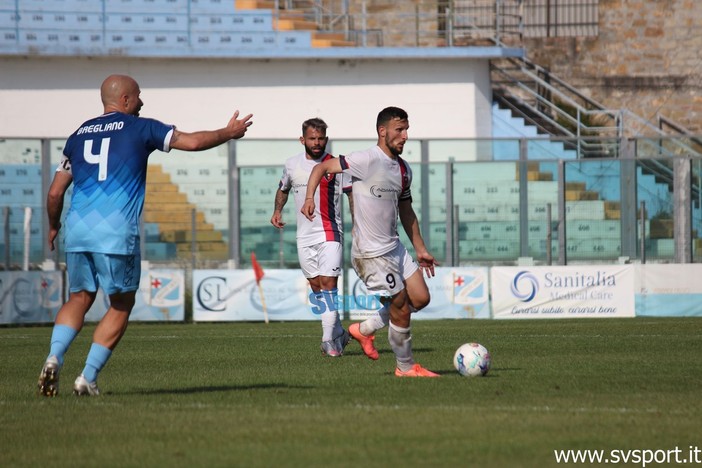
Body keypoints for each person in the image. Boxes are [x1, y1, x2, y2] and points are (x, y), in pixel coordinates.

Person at [37, 74, 253, 397]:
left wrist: (53, 226)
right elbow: (191, 142)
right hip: (115, 232)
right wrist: (228, 133)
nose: (141, 102)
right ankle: (87, 377)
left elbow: (55, 194)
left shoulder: (77, 135)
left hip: (78, 230)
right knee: (122, 303)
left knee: (80, 296)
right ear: (125, 100)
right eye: (138, 96)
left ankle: (54, 356)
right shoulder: (141, 128)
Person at [301, 106, 439, 377]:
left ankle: (362, 330)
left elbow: (407, 210)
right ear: (382, 131)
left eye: (407, 129)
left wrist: (420, 248)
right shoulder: (365, 159)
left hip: (395, 247)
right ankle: (406, 367)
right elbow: (321, 167)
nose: (405, 136)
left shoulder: (403, 169)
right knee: (400, 307)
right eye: (400, 130)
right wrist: (309, 198)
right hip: (371, 253)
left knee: (421, 299)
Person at [271, 118, 352, 357]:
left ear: (326, 139)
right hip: (303, 236)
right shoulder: (292, 164)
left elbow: (351, 195)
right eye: (312, 138)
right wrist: (277, 210)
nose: (317, 143)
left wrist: (359, 224)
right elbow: (283, 189)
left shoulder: (336, 165)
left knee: (328, 285)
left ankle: (328, 340)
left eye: (321, 138)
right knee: (317, 288)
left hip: (330, 232)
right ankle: (339, 333)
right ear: (302, 140)